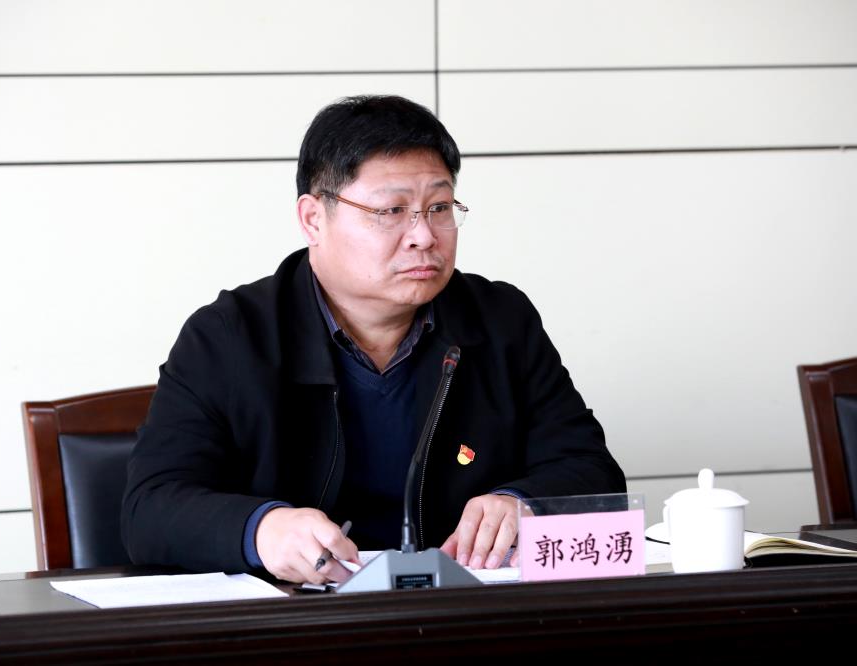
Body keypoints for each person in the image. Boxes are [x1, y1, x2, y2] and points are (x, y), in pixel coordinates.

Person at [121, 95, 626, 585]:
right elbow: (150, 509)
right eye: (391, 211)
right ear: (313, 219)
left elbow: (593, 472)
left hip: (463, 615)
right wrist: (262, 529)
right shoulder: (229, 336)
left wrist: (523, 504)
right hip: (301, 622)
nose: (424, 236)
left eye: (439, 207)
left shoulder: (499, 320)